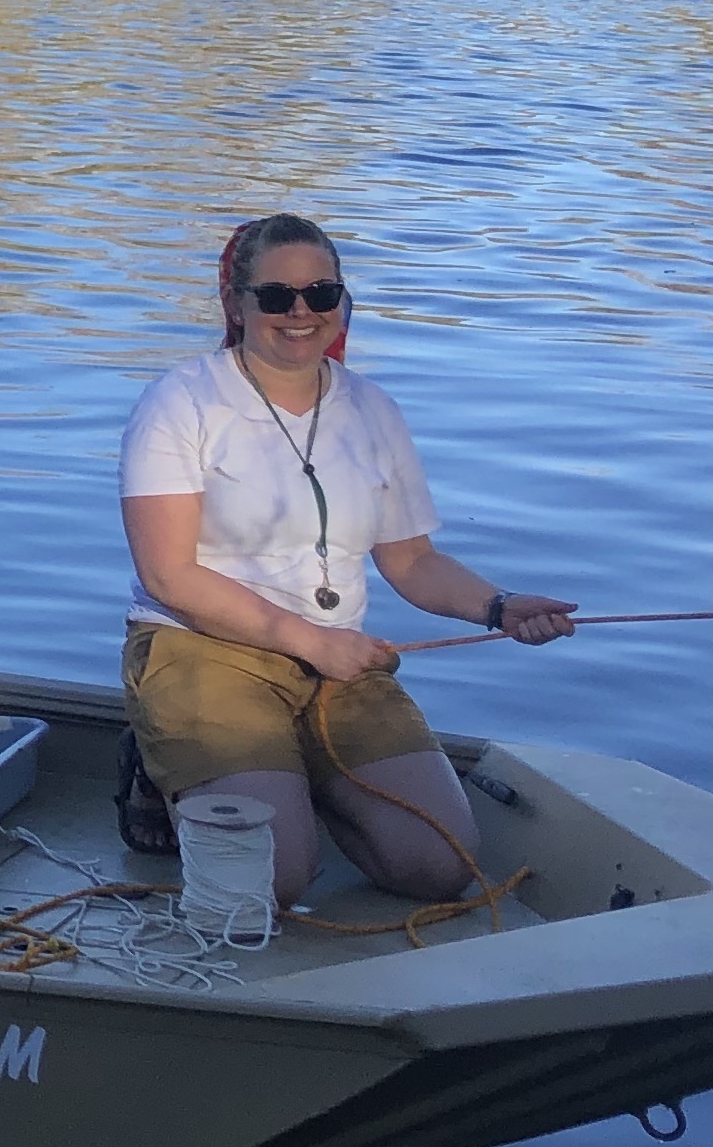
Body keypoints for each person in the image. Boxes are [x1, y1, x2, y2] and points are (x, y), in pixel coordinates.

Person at [117, 212, 579, 907]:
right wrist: (310, 642)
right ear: (237, 305)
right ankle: (163, 774)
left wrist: (500, 607)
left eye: (321, 294)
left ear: (341, 303)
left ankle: (290, 781)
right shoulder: (180, 403)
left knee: (441, 866)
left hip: (339, 662)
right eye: (276, 297)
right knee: (266, 881)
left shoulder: (372, 411)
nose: (300, 313)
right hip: (202, 648)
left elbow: (413, 563)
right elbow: (168, 575)